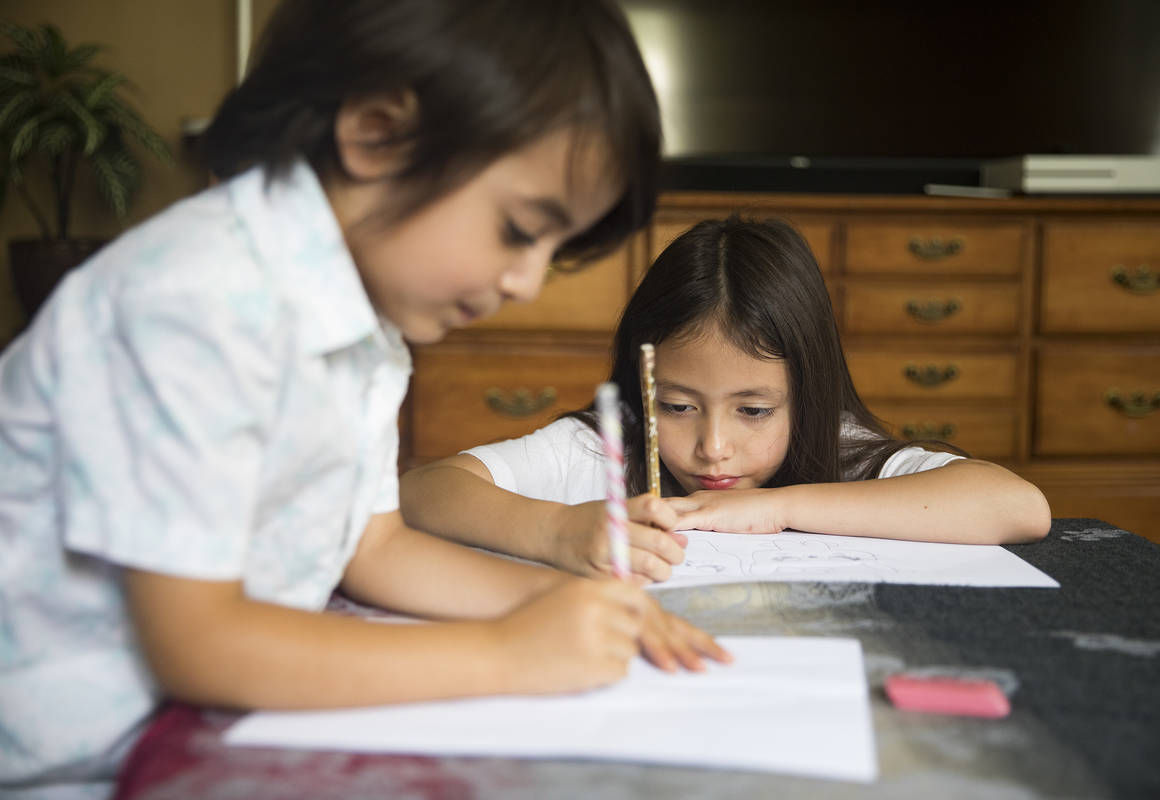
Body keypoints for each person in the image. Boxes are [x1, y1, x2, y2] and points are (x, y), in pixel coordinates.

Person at [0, 2, 731, 797]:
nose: (524, 282)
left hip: (180, 734)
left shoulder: (360, 326)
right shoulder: (195, 298)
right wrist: (508, 655)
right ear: (378, 134)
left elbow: (373, 548)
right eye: (521, 230)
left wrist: (571, 602)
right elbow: (198, 644)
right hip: (57, 765)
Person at [400, 216, 1052, 583]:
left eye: (754, 410)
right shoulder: (603, 446)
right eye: (678, 406)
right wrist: (558, 528)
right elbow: (422, 491)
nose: (714, 447)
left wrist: (776, 509)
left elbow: (1018, 507)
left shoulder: (839, 450)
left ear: (808, 393)